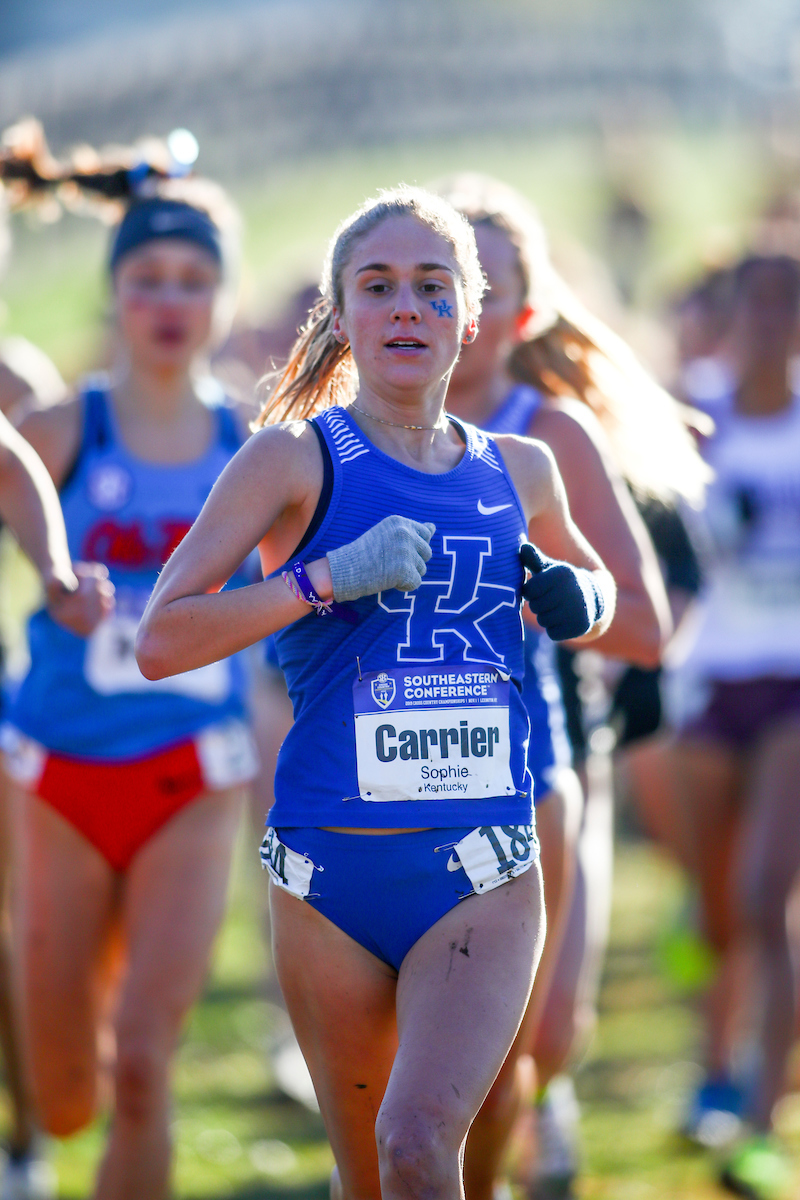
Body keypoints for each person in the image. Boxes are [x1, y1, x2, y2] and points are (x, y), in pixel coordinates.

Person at [137, 185, 618, 1200]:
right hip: (329, 878)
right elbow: (162, 638)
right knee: (371, 1178)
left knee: (417, 1142)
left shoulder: (520, 469)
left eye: (431, 288)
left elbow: (599, 592)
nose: (406, 308)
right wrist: (323, 579)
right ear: (340, 314)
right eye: (378, 286)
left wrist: (582, 596)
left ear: (470, 316)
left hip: (483, 863)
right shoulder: (290, 459)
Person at [436, 173, 704, 1199]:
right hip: (399, 773)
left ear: (525, 311)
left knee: (542, 1028)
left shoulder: (549, 434)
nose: (456, 308)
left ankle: (534, 1105)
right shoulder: (347, 435)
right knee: (438, 1055)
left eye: (483, 286)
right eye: (435, 282)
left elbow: (643, 627)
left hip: (548, 755)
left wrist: (547, 601)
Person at [0, 130, 258, 1200]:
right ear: (114, 295)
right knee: (66, 1097)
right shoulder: (65, 430)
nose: (168, 301)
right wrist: (55, 570)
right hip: (58, 776)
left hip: (193, 775)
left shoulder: (259, 447)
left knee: (145, 1066)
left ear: (223, 302)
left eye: (193, 280)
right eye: (147, 277)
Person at [666, 253, 800, 1199]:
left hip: (794, 682)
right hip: (710, 680)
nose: (767, 322)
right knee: (714, 908)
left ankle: (759, 1114)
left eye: (786, 306)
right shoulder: (692, 412)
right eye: (752, 304)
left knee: (764, 900)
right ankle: (716, 1062)